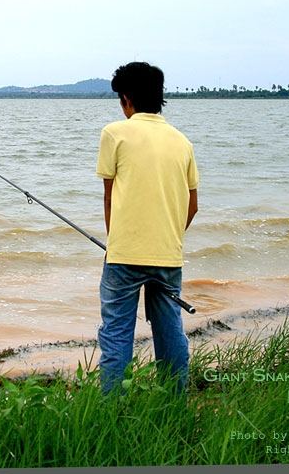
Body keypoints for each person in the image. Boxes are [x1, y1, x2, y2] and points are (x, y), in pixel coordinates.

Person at [95, 61, 199, 394]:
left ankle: (111, 411)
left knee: (116, 333)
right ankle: (175, 404)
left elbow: (109, 199)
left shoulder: (114, 133)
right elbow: (192, 205)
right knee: (170, 332)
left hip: (124, 256)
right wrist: (168, 238)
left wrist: (117, 243)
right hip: (169, 255)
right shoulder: (182, 142)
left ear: (127, 98)